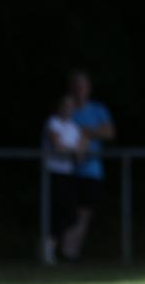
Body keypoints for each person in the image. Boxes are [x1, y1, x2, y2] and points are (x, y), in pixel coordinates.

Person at [64, 71, 114, 261]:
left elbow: (108, 132)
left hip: (91, 170)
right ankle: (64, 249)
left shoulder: (97, 109)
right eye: (76, 85)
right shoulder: (67, 108)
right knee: (67, 211)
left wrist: (86, 132)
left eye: (82, 85)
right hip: (67, 169)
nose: (79, 90)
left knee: (84, 212)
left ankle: (71, 251)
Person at [42, 96, 86, 264]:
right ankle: (49, 247)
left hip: (69, 173)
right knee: (56, 210)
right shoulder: (53, 122)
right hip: (53, 172)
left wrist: (75, 149)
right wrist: (74, 149)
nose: (68, 109)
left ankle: (55, 246)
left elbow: (81, 153)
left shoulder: (73, 127)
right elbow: (58, 146)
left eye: (71, 106)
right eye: (65, 105)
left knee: (70, 213)